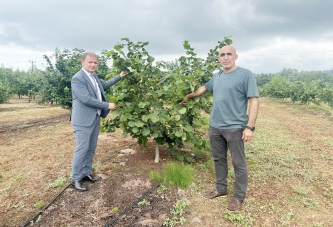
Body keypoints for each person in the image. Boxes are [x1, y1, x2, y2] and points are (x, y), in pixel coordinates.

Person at [180, 45, 259, 211]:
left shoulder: (245, 75)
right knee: (218, 159)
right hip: (215, 126)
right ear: (218, 59)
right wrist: (188, 95)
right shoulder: (217, 76)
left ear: (236, 56)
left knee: (238, 163)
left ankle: (238, 197)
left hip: (235, 127)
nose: (225, 57)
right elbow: (203, 88)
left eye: (229, 54)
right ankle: (221, 188)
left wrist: (249, 127)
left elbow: (254, 100)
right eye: (222, 55)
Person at [70, 52, 128, 191]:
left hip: (94, 117)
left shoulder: (93, 76)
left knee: (91, 148)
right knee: (82, 149)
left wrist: (119, 76)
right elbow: (86, 99)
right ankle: (76, 178)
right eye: (90, 62)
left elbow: (103, 85)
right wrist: (107, 105)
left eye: (95, 63)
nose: (93, 65)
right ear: (82, 62)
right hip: (83, 120)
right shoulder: (78, 78)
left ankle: (85, 173)